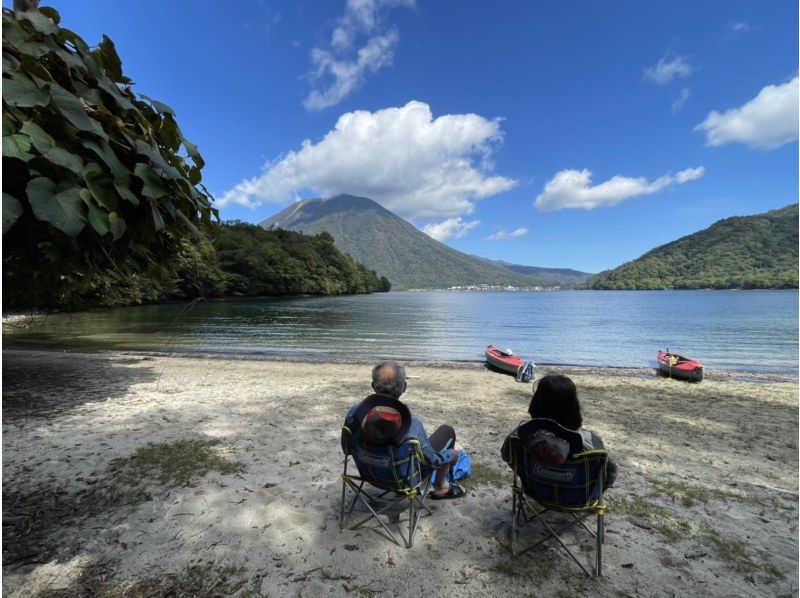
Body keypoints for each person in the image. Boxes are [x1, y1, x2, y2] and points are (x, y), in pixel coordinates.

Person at [344, 361, 466, 500]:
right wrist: (450, 455)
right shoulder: (412, 426)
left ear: (373, 386)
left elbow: (347, 449)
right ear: (404, 387)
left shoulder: (354, 414)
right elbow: (432, 461)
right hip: (402, 482)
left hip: (368, 475)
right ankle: (440, 486)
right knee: (447, 431)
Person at [504, 374, 618, 487]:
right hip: (576, 498)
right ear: (574, 406)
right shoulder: (589, 440)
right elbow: (610, 472)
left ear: (536, 403)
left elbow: (507, 457)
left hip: (535, 489)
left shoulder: (520, 436)